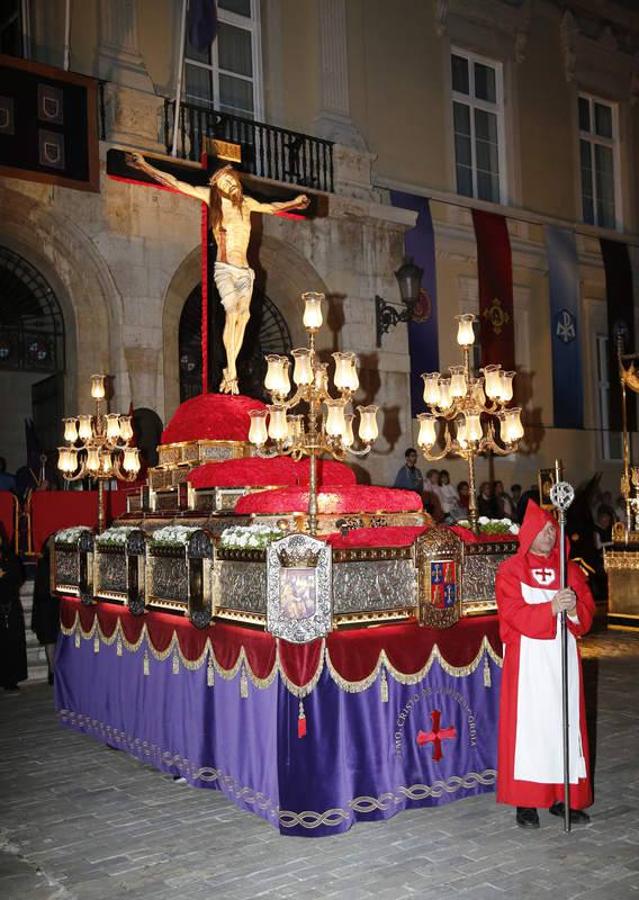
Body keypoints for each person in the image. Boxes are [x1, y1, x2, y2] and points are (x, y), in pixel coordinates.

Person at [126, 153, 310, 395]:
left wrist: (295, 202)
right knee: (232, 312)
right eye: (224, 182)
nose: (229, 184)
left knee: (243, 316)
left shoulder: (247, 204)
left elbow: (272, 207)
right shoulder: (211, 200)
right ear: (217, 186)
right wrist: (145, 166)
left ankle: (231, 371)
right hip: (225, 268)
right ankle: (231, 368)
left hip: (245, 271)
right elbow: (176, 183)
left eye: (231, 180)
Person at [495, 501, 595, 829]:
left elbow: (586, 614)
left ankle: (561, 795)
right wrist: (551, 607)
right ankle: (527, 801)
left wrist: (573, 608)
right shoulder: (510, 570)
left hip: (562, 656)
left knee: (563, 725)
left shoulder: (570, 569)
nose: (551, 534)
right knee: (531, 728)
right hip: (528, 661)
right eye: (545, 528)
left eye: (554, 528)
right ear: (528, 533)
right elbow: (512, 613)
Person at [0, 527, 27, 691]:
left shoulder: (11, 558)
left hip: (11, 606)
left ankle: (12, 679)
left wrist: (5, 575)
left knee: (12, 644)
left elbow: (19, 577)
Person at [31, 537, 58, 685]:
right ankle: (52, 672)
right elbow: (41, 589)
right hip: (47, 608)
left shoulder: (61, 560)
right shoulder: (43, 563)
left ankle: (58, 671)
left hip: (58, 607)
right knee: (50, 641)